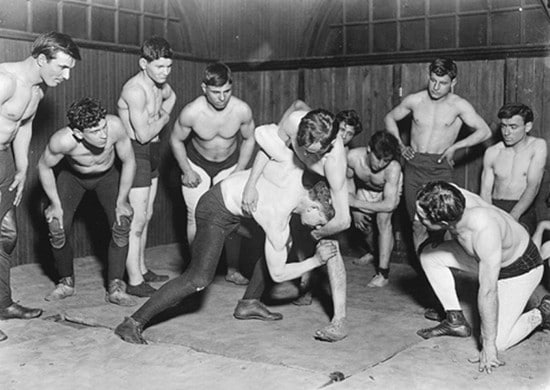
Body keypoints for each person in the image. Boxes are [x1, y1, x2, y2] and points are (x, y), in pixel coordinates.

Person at [114, 123, 342, 344]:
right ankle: (133, 322)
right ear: (312, 207)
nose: (316, 227)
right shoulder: (278, 218)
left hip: (237, 210)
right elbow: (279, 274)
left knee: (283, 244)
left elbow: (264, 132)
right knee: (198, 278)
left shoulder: (294, 171)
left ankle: (249, 302)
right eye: (319, 221)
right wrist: (314, 261)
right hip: (215, 208)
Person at [238, 106, 349, 341]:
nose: (307, 154)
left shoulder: (334, 163)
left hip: (320, 183)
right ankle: (250, 300)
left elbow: (344, 220)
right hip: (291, 171)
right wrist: (251, 184)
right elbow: (268, 149)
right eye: (304, 148)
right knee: (275, 232)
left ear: (327, 147)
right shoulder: (293, 121)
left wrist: (318, 235)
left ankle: (339, 320)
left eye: (312, 152)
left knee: (330, 245)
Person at [415, 181, 550, 374]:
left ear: (443, 223)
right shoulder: (447, 194)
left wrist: (488, 345)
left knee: (498, 342)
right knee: (430, 256)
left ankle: (543, 312)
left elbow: (488, 291)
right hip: (485, 257)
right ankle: (455, 319)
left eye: (422, 217)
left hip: (520, 269)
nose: (418, 219)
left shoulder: (485, 231)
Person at [0, 31, 80, 342]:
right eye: (62, 67)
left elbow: (22, 125)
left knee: (7, 235)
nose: (67, 75)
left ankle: (3, 303)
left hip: (4, 160)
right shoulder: (5, 80)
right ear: (41, 59)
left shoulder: (36, 92)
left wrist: (21, 166)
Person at [384, 58, 491, 252]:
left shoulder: (459, 105)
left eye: (442, 83)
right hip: (414, 164)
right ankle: (424, 274)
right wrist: (400, 145)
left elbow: (484, 131)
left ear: (453, 83)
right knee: (417, 224)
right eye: (433, 80)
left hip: (440, 166)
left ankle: (443, 270)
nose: (436, 87)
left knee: (448, 224)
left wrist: (456, 147)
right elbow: (389, 117)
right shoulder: (415, 100)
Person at [39, 98, 136, 307]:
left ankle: (116, 285)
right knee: (56, 226)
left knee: (122, 221)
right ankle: (66, 282)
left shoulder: (116, 126)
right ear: (79, 134)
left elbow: (129, 160)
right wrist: (55, 203)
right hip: (72, 178)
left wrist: (122, 200)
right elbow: (43, 167)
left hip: (108, 177)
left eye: (103, 127)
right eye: (95, 131)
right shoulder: (62, 141)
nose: (103, 135)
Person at [170, 62, 255, 285]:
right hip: (197, 164)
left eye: (227, 91)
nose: (221, 98)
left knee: (232, 216)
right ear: (204, 88)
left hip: (229, 164)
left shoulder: (241, 110)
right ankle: (196, 269)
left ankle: (233, 268)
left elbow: (249, 139)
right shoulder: (192, 112)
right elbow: (176, 140)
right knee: (195, 213)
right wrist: (186, 170)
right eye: (216, 92)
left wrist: (238, 171)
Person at [118, 37, 176, 297]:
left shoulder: (160, 87)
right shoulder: (135, 90)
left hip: (152, 151)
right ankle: (133, 280)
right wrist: (164, 117)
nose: (165, 73)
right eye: (159, 67)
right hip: (136, 152)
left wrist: (161, 116)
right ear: (144, 63)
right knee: (136, 221)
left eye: (168, 67)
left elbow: (171, 97)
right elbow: (142, 134)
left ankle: (141, 268)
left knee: (148, 214)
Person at [480, 103, 546, 234]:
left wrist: (512, 217)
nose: (506, 132)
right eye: (503, 126)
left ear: (527, 126)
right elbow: (485, 193)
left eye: (513, 127)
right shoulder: (492, 152)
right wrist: (491, 217)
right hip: (495, 206)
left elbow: (533, 187)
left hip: (522, 210)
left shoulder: (537, 147)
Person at [347, 131, 403, 287]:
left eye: (386, 160)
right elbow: (349, 185)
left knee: (383, 220)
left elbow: (389, 204)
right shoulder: (352, 158)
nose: (380, 164)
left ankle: (383, 273)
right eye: (378, 158)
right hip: (365, 189)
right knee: (362, 226)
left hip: (388, 192)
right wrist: (355, 211)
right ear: (369, 149)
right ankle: (374, 252)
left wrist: (356, 204)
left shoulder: (393, 168)